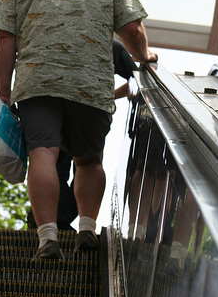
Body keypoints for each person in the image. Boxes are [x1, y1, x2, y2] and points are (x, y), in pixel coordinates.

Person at [0, 0, 157, 259]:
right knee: (88, 161)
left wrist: (3, 93)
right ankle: (87, 229)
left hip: (37, 83)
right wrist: (146, 56)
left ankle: (48, 238)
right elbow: (132, 30)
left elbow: (6, 37)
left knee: (42, 154)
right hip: (90, 84)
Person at [26, 39, 139, 231]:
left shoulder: (47, 32)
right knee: (88, 165)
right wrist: (109, 95)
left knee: (51, 164)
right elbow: (137, 80)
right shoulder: (109, 44)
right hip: (89, 111)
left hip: (49, 110)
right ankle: (83, 227)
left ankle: (46, 227)